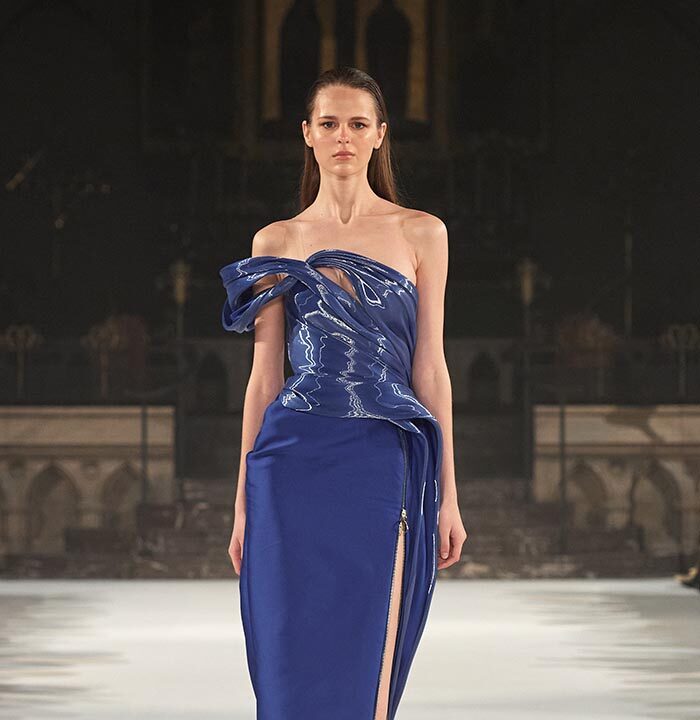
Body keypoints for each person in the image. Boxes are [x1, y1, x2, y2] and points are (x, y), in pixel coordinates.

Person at [219, 65, 467, 720]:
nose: (343, 137)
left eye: (358, 124)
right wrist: (242, 503)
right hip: (290, 464)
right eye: (329, 123)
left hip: (381, 458)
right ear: (307, 133)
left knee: (367, 648)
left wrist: (447, 494)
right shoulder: (278, 241)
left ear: (381, 134)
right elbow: (264, 377)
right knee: (290, 651)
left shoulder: (422, 233)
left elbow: (430, 367)